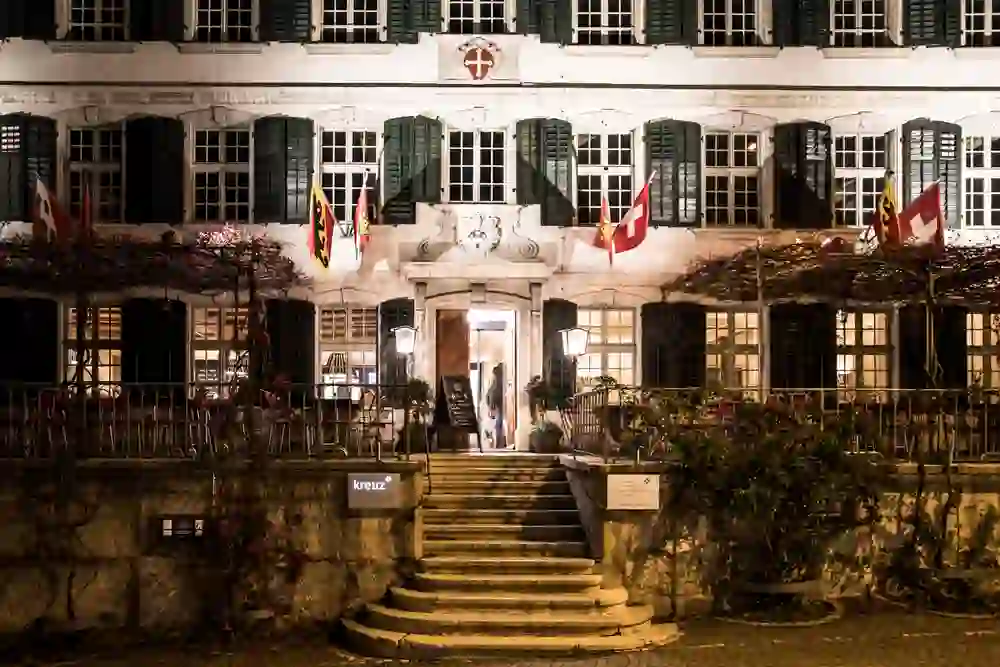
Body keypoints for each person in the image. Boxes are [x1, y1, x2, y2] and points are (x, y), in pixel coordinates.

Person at [486, 363, 506, 449]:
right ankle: (499, 443)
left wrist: (491, 405)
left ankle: (499, 443)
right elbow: (491, 394)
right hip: (498, 406)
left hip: (498, 406)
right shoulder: (498, 382)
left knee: (498, 425)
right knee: (498, 425)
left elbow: (492, 394)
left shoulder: (497, 383)